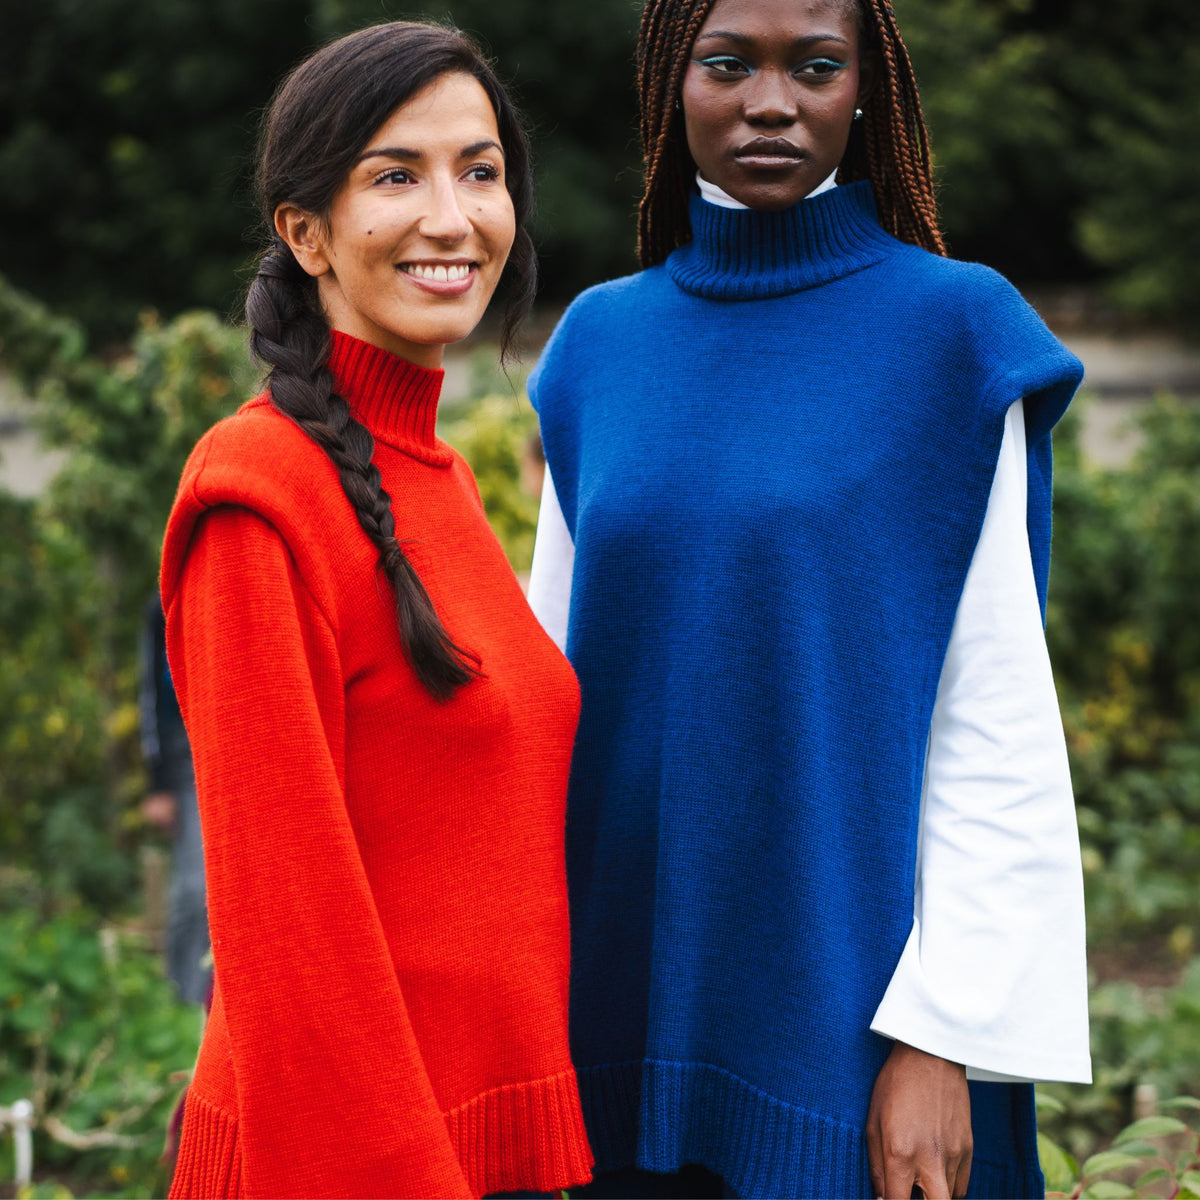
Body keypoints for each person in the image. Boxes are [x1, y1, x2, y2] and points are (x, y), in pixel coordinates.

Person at [526, 0, 1091, 1197]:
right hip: (611, 1020)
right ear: (667, 88)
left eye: (814, 66)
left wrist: (944, 1037)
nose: (771, 102)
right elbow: (543, 708)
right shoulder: (597, 348)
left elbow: (993, 717)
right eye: (727, 64)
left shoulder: (954, 333)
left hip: (861, 1040)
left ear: (866, 88)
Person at [161, 23, 593, 1200]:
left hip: (481, 1148)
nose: (452, 218)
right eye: (395, 175)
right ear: (306, 233)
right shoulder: (259, 496)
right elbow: (288, 939)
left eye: (482, 169)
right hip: (353, 1162)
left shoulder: (433, 479)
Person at [138, 593, 211, 1006]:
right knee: (192, 886)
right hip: (182, 752)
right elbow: (150, 695)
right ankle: (182, 1002)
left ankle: (225, 1004)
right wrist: (157, 784)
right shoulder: (160, 607)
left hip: (235, 735)